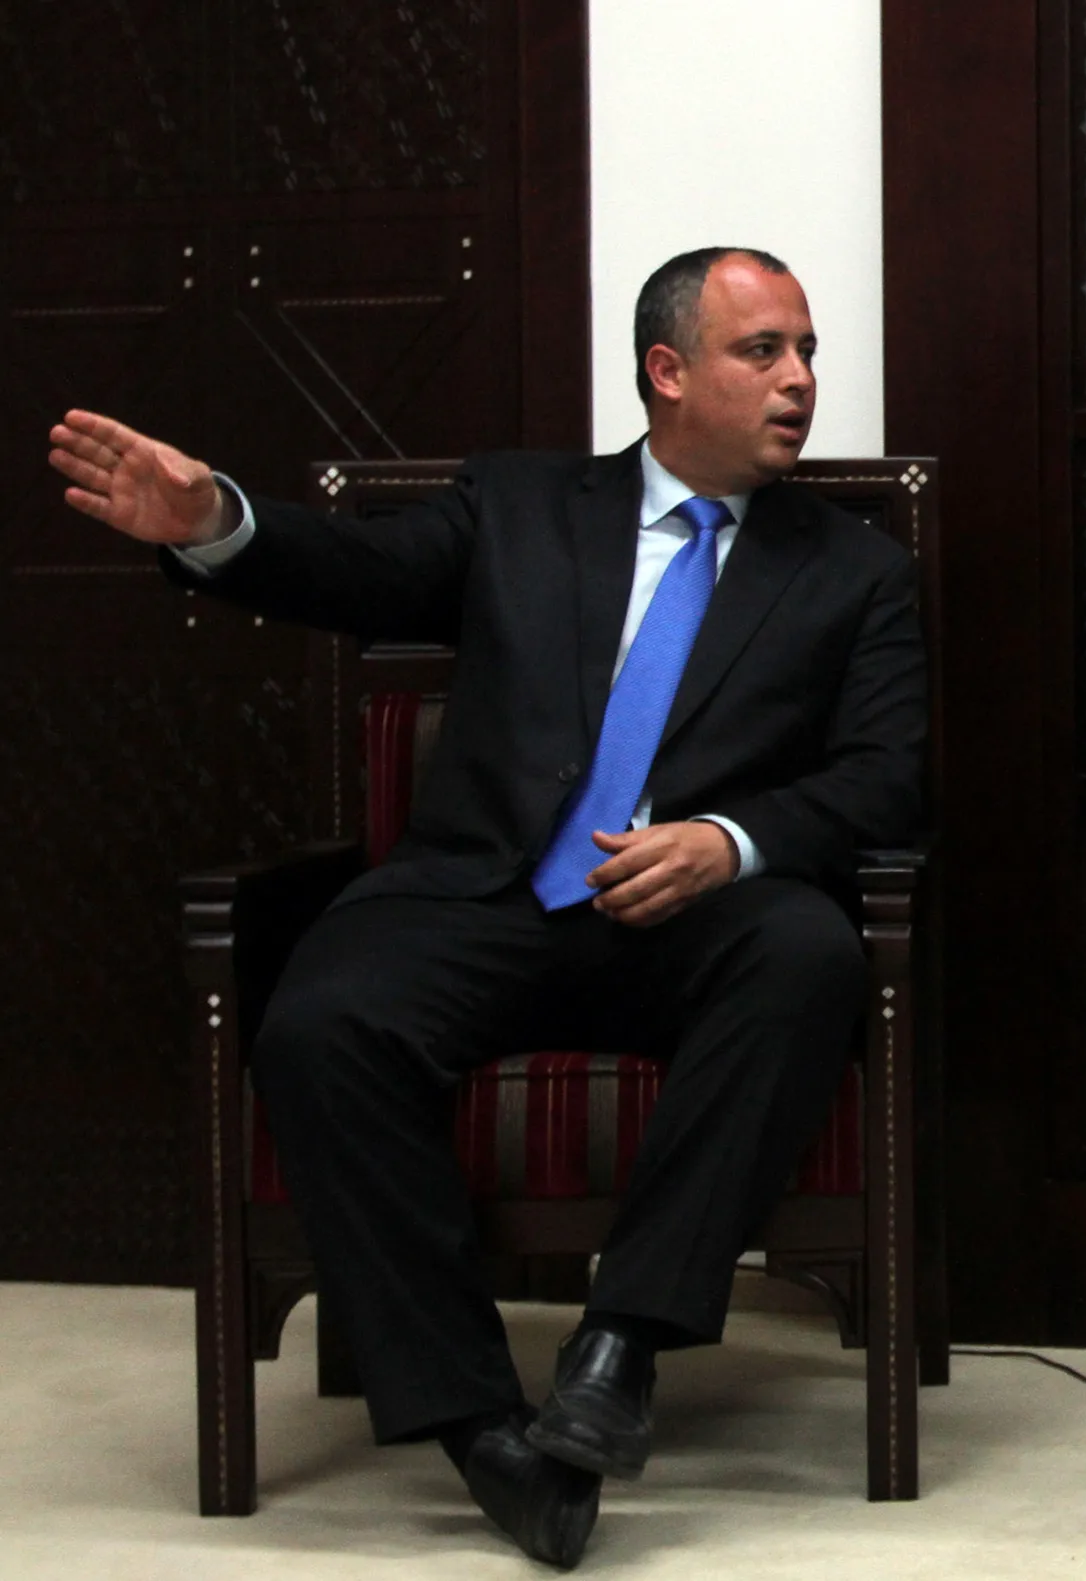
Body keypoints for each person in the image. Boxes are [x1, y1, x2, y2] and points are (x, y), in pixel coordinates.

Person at [46, 247, 925, 1568]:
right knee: (320, 1025)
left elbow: (887, 776)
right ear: (667, 370)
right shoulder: (519, 505)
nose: (800, 379)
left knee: (807, 952)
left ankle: (619, 1351)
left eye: (806, 352)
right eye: (764, 351)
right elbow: (354, 573)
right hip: (486, 895)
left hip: (689, 915)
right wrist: (213, 519)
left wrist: (729, 843)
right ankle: (484, 1435)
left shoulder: (852, 570)